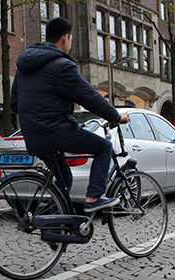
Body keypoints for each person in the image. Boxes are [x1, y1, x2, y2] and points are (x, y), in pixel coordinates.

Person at [10, 17, 129, 213]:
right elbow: (89, 97)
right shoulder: (62, 65)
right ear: (65, 38)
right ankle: (94, 198)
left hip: (32, 134)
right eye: (70, 38)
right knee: (104, 148)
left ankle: (54, 227)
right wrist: (115, 116)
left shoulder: (24, 66)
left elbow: (14, 104)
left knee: (64, 178)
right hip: (56, 130)